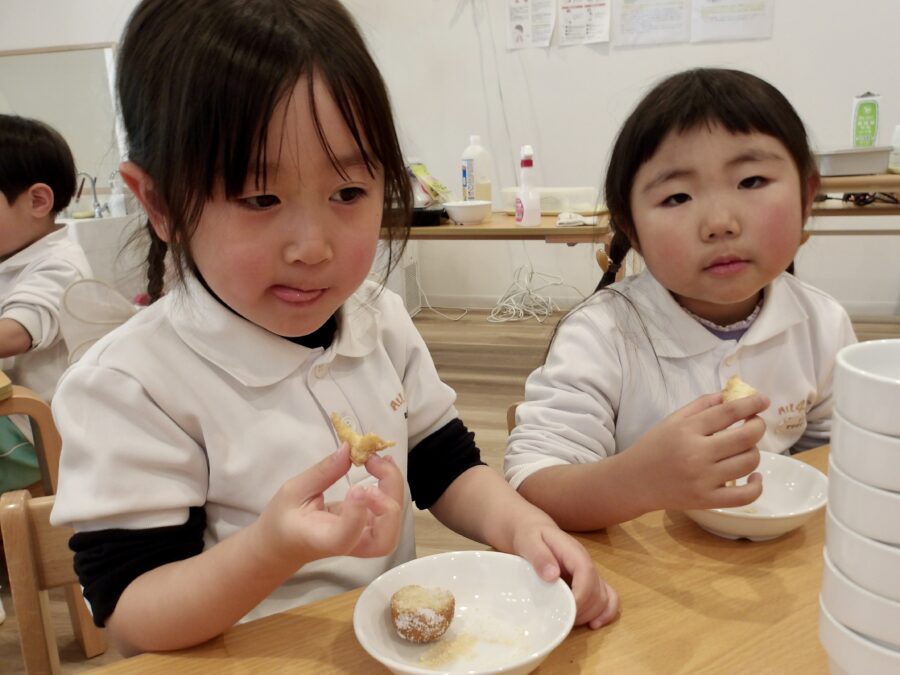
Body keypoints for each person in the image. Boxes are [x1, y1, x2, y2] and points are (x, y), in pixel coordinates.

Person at [49, 0, 617, 655]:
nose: (313, 246)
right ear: (159, 202)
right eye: (260, 199)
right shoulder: (131, 386)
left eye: (348, 193)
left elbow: (447, 466)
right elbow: (131, 613)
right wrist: (270, 549)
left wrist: (520, 525)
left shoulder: (380, 321)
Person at [504, 68, 856, 532]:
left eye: (751, 181)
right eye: (677, 197)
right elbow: (534, 482)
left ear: (807, 198)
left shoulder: (823, 323)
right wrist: (639, 481)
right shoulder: (602, 333)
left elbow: (834, 455)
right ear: (631, 228)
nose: (720, 222)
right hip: (644, 564)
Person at [0, 114, 92, 494]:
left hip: (37, 433)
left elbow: (14, 334)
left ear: (38, 201)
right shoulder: (12, 257)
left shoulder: (59, 265)